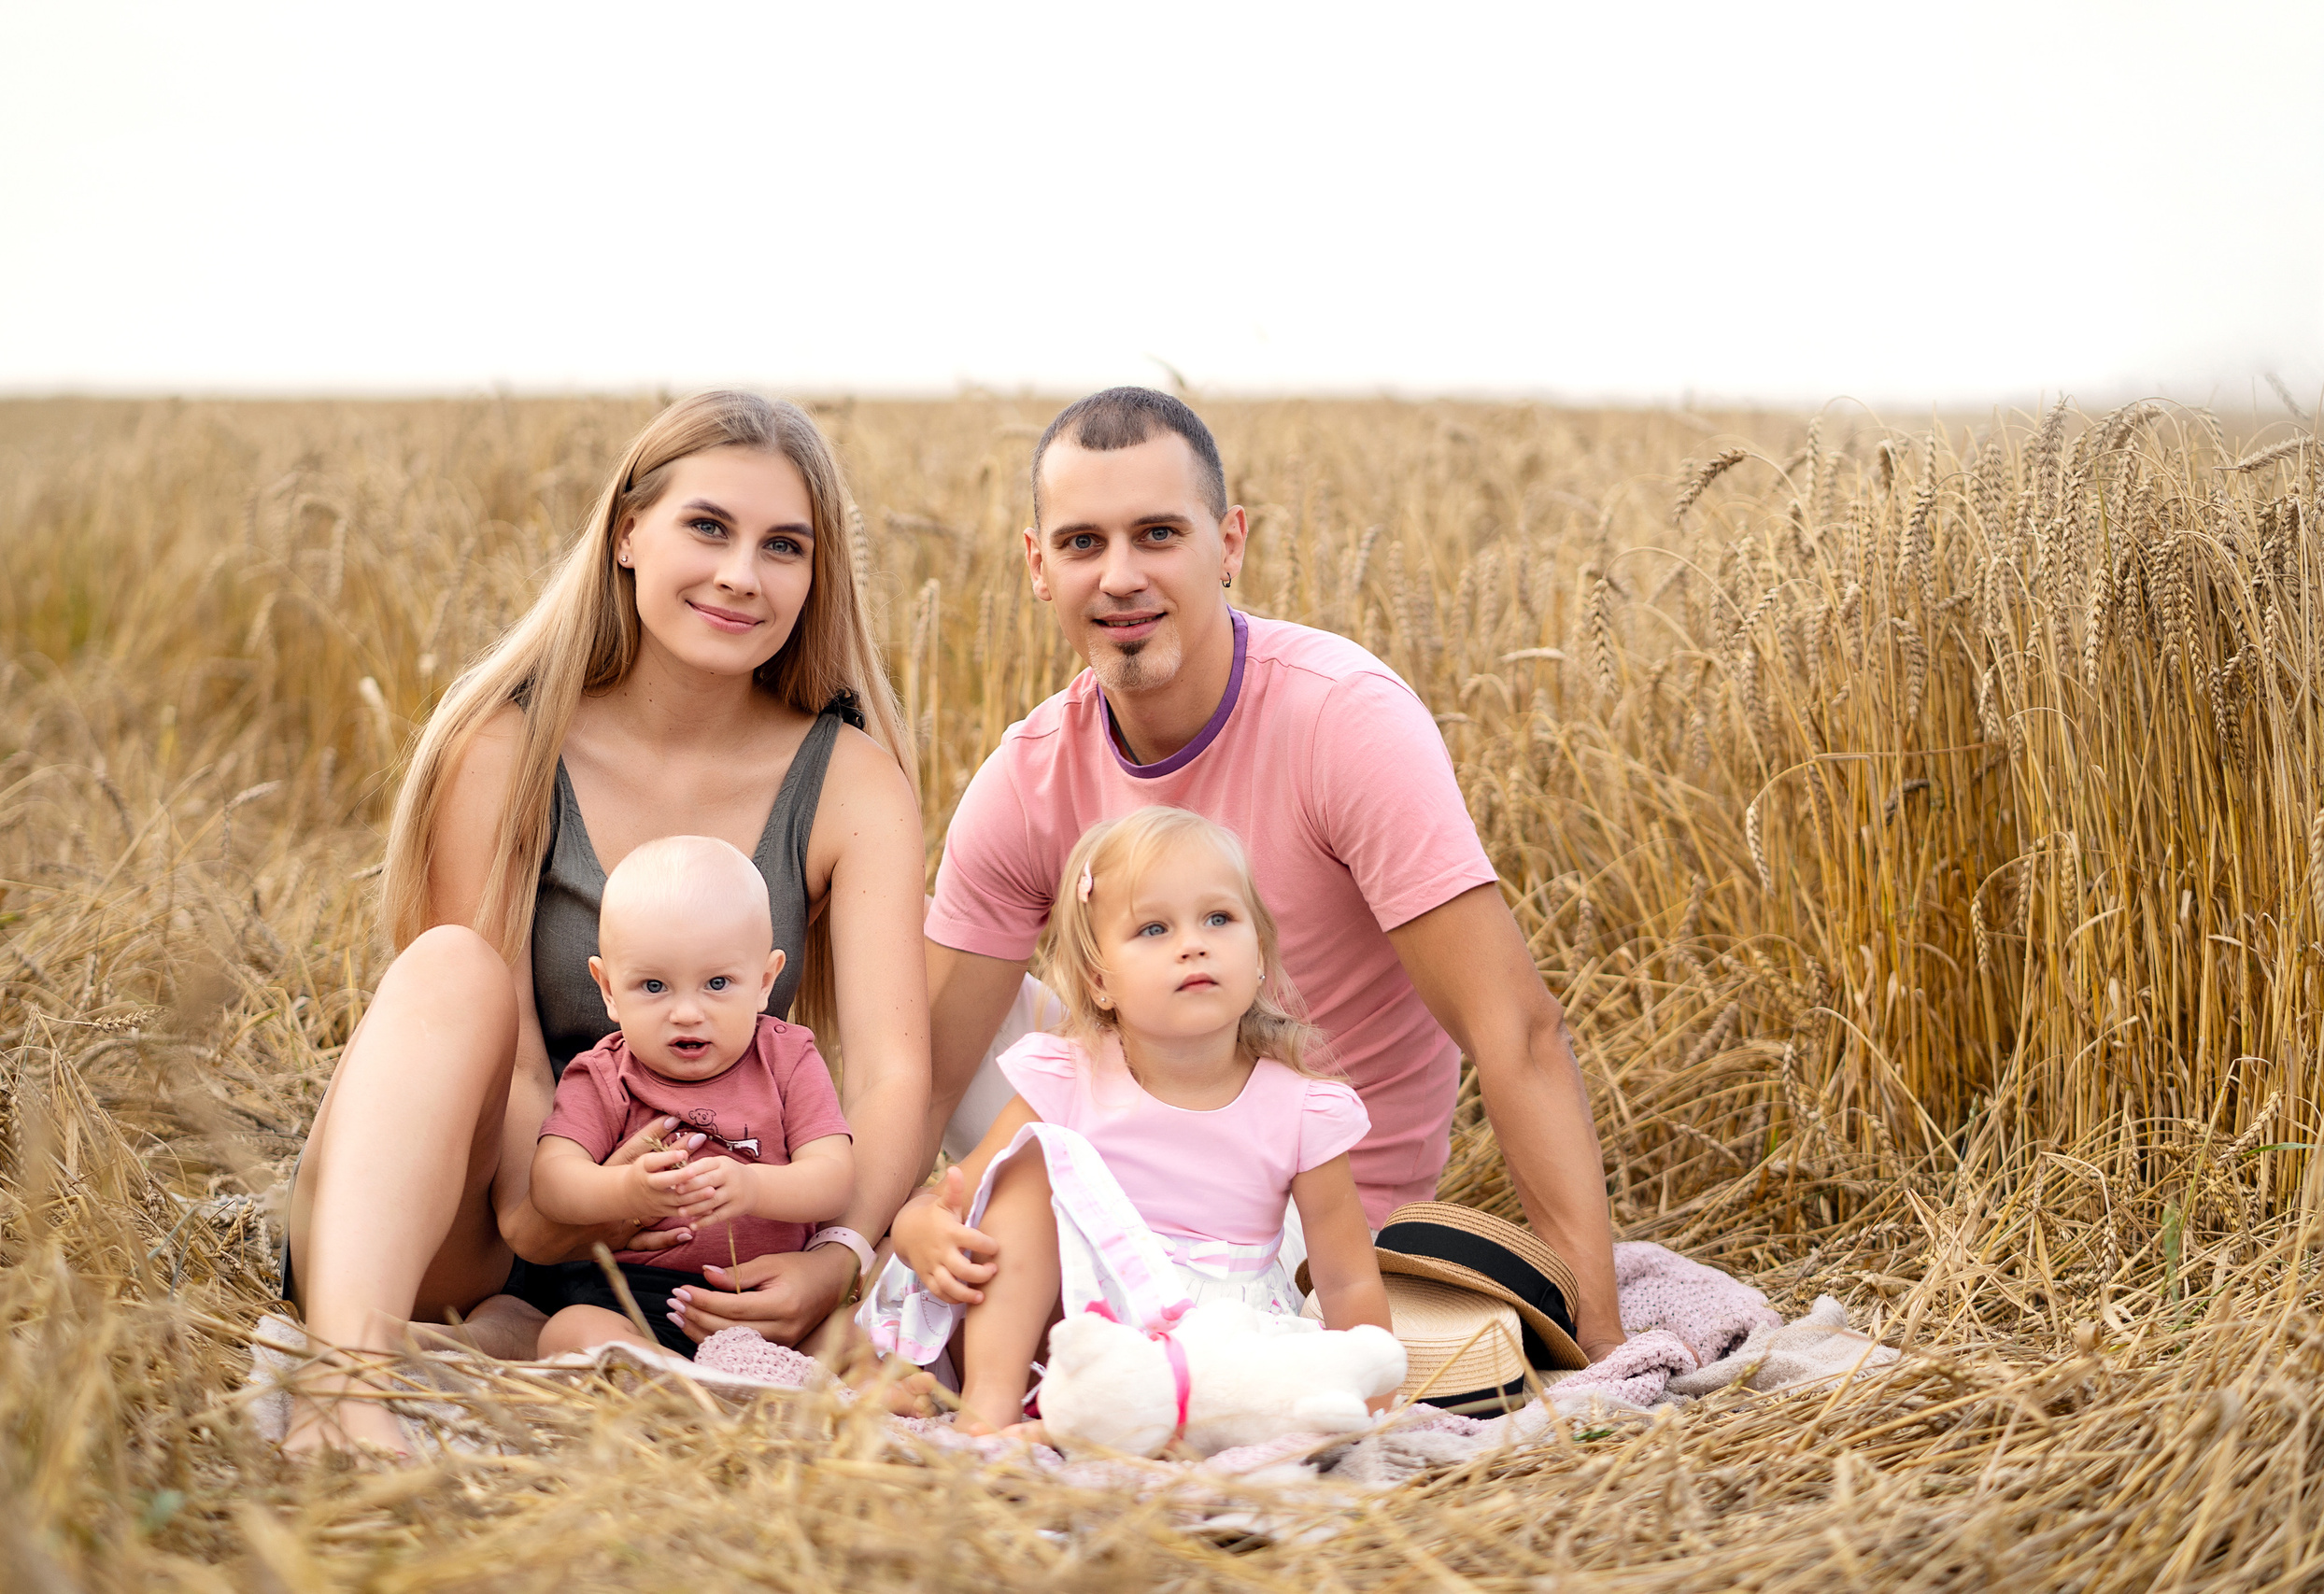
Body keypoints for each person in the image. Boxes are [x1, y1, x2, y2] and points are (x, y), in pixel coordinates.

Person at [922, 388, 1628, 1362]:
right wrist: (861, 1243)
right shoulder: (1030, 770)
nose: (1120, 576)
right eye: (1084, 543)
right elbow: (922, 1070)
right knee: (885, 947)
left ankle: (1099, 1333)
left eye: (1158, 534)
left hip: (1305, 1221)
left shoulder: (1342, 719)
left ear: (1229, 544)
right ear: (1039, 567)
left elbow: (1514, 1029)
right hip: (1118, 1174)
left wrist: (1599, 1336)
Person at [284, 390, 928, 1454]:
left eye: (785, 547)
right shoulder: (508, 745)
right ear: (628, 532)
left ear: (816, 579)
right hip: (485, 1219)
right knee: (451, 969)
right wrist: (557, 1212)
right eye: (708, 528)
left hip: (701, 1253)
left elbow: (893, 1069)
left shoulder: (849, 778)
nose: (741, 575)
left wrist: (842, 1256)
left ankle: (555, 1348)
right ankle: (342, 1390)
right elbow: (519, 1074)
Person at [872, 807, 1391, 1433]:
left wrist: (1372, 1384)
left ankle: (1089, 1425)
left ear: (1259, 956)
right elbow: (951, 1200)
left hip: (1210, 1341)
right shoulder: (1069, 1078)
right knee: (1030, 1164)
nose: (1192, 943)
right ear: (1100, 981)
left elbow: (1347, 1280)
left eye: (1219, 918)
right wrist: (920, 1224)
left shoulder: (1301, 1109)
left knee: (1248, 1393)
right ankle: (990, 1407)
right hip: (1065, 1327)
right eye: (1153, 928)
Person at [531, 836, 855, 1359]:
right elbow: (551, 1182)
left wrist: (754, 1187)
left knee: (858, 1337)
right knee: (569, 1332)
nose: (686, 1012)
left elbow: (834, 1177)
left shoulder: (787, 1057)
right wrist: (622, 1191)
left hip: (766, 1300)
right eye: (654, 986)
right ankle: (677, 1380)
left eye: (718, 983)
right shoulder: (606, 1073)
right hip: (633, 1298)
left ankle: (776, 1381)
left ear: (766, 980)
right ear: (608, 988)